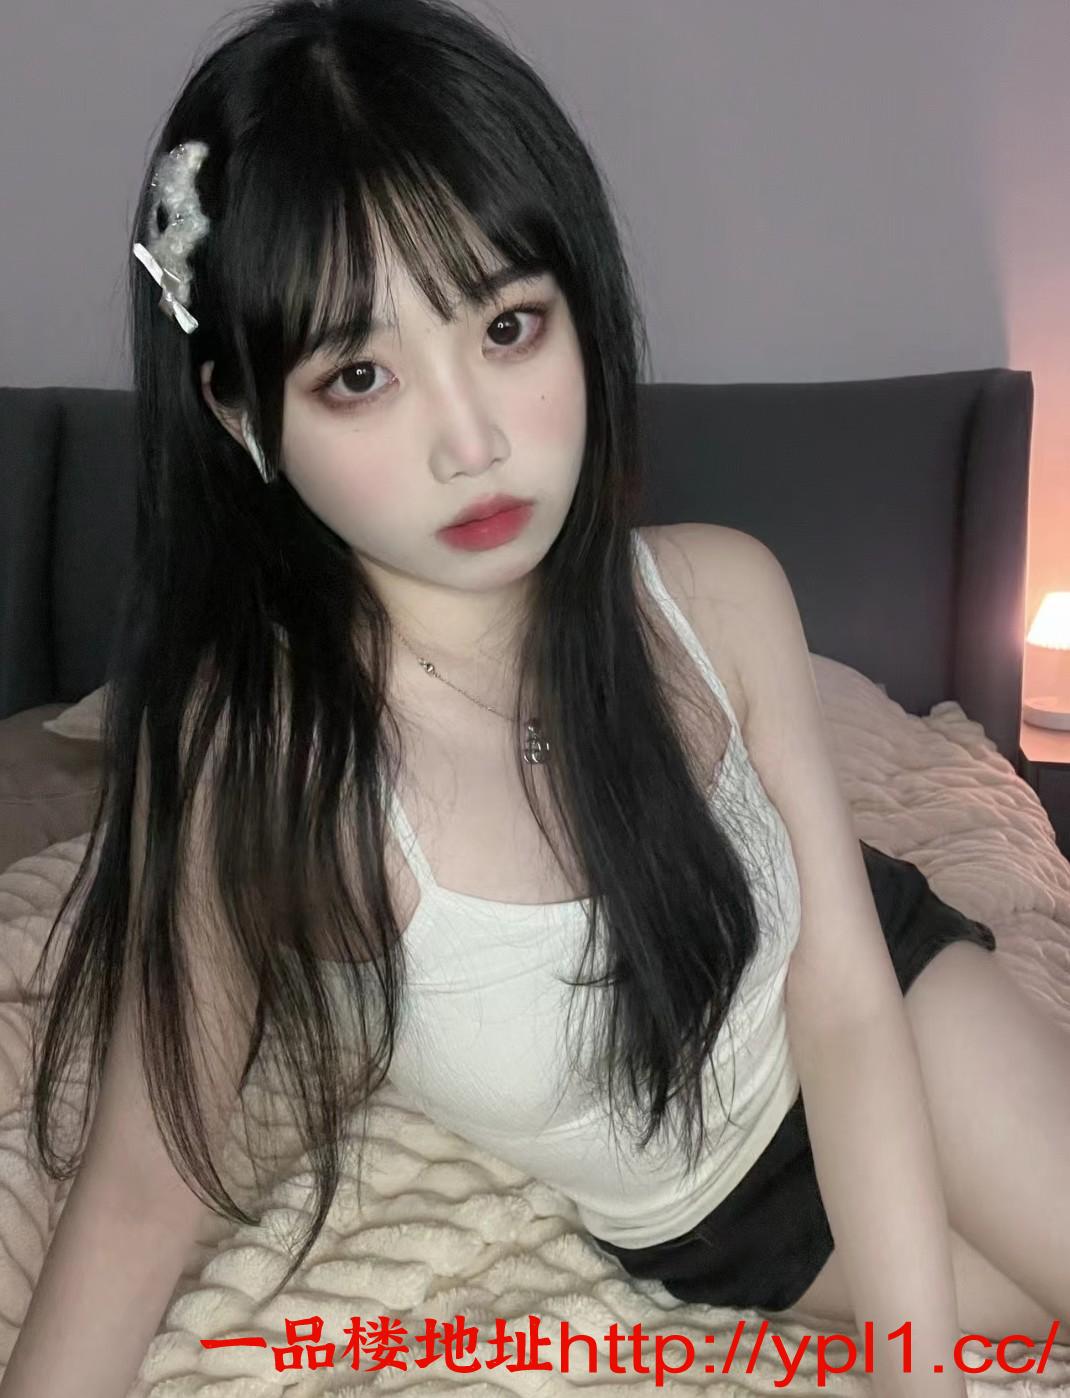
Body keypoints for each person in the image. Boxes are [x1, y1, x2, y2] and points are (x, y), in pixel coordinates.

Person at [4, 2, 1068, 1395]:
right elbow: (143, 1191)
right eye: (360, 374)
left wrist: (914, 1380)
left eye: (507, 325)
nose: (473, 440)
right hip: (717, 1214)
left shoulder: (722, 594)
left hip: (893, 999)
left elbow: (845, 996)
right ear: (244, 414)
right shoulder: (266, 767)